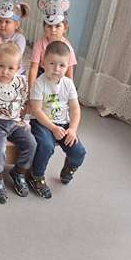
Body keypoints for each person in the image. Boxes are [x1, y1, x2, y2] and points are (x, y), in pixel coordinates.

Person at [27, 41, 87, 199]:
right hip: (42, 123)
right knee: (46, 146)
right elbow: (36, 110)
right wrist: (53, 128)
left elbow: (75, 109)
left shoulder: (68, 84)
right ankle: (36, 176)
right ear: (43, 63)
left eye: (62, 65)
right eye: (52, 63)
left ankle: (69, 168)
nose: (56, 69)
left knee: (79, 152)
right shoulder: (39, 83)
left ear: (67, 66)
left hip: (63, 123)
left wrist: (72, 129)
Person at [0, 42, 36, 204]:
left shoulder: (21, 82)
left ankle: (19, 172)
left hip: (14, 123)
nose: (5, 72)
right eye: (1, 66)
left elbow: (24, 102)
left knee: (31, 143)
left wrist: (24, 119)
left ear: (18, 68)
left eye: (10, 68)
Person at [28, 0, 77, 92]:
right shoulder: (39, 44)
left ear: (65, 28)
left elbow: (69, 74)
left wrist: (69, 92)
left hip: (59, 80)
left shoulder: (68, 48)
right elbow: (33, 69)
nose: (53, 30)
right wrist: (31, 90)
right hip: (42, 76)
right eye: (49, 26)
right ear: (44, 27)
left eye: (57, 26)